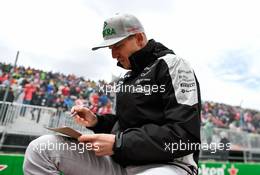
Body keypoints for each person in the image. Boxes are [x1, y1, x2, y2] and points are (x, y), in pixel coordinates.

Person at [23, 13, 201, 175]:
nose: (113, 54)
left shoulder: (173, 64)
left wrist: (119, 143)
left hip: (169, 165)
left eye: (118, 46)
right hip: (121, 163)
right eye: (110, 48)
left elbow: (185, 135)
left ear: (139, 38)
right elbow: (126, 126)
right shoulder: (128, 77)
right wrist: (97, 121)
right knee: (41, 148)